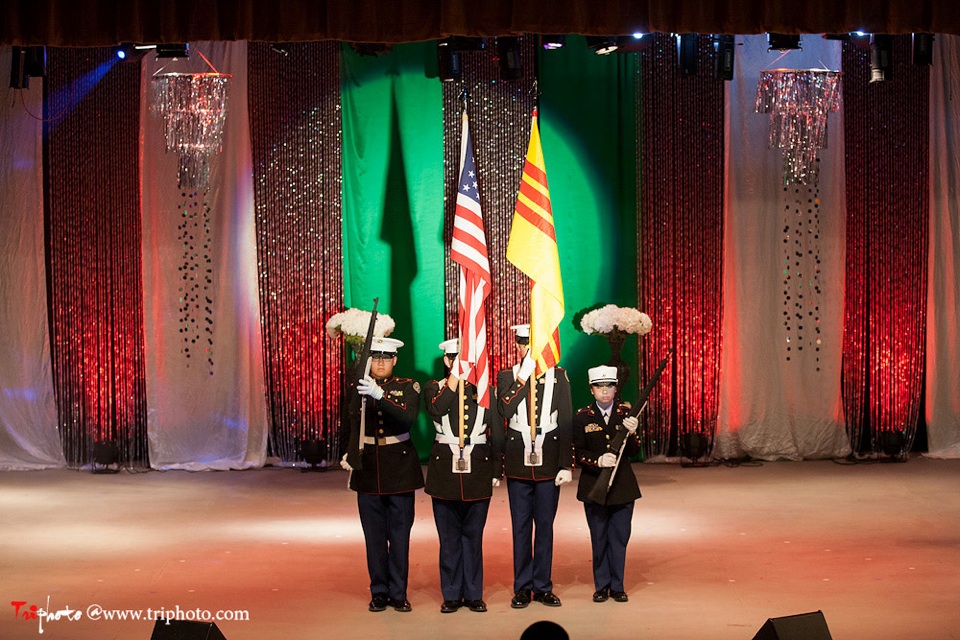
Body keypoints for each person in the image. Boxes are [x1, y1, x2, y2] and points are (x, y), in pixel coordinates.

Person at [340, 336, 423, 613]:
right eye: (375, 358)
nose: (379, 363)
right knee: (374, 538)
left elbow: (408, 418)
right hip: (368, 469)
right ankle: (379, 591)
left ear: (394, 360)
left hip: (399, 468)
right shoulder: (358, 387)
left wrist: (380, 396)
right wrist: (348, 452)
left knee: (399, 536)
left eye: (385, 358)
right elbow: (349, 422)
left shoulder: (407, 387)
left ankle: (398, 593)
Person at [423, 338, 504, 613]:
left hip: (477, 469)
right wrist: (455, 378)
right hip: (445, 469)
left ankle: (473, 593)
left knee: (473, 536)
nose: (462, 365)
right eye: (456, 359)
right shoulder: (433, 388)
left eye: (467, 360)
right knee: (448, 538)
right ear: (447, 361)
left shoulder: (485, 391)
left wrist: (496, 468)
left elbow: (497, 432)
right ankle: (451, 594)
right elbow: (438, 408)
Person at [497, 323, 573, 608]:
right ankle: (522, 586)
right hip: (518, 460)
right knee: (520, 528)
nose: (526, 349)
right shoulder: (507, 376)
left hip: (549, 460)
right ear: (516, 346)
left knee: (545, 527)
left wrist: (566, 463)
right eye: (521, 344)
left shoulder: (560, 376)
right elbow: (504, 410)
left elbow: (565, 420)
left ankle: (542, 586)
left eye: (532, 344)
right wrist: (523, 375)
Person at [571, 365, 642, 604]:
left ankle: (618, 586)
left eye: (609, 386)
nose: (604, 391)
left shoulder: (625, 415)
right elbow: (577, 451)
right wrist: (597, 460)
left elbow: (634, 451)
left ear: (615, 388)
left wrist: (633, 433)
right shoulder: (582, 417)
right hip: (594, 485)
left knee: (619, 537)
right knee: (599, 537)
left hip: (622, 485)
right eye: (599, 387)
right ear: (591, 390)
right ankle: (602, 585)